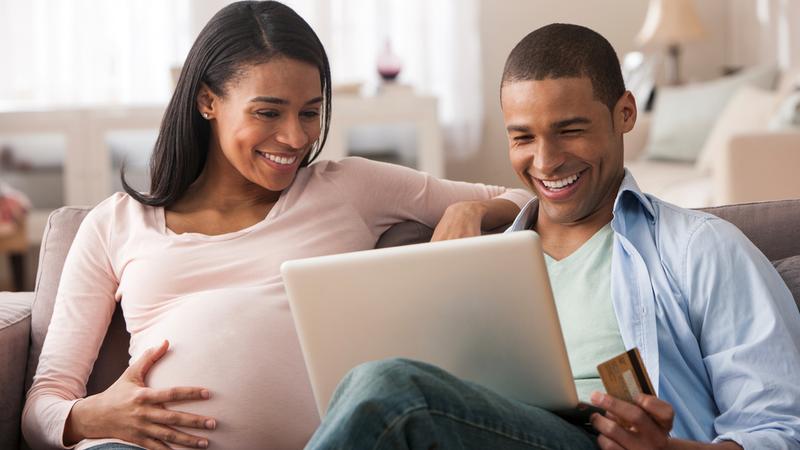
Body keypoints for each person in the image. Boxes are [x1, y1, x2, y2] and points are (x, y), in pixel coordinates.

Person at [20, 2, 530, 450]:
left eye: (310, 113)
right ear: (207, 101)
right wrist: (92, 416)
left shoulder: (350, 187)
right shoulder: (116, 224)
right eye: (268, 112)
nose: (294, 137)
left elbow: (522, 195)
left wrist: (473, 210)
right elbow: (43, 403)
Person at [306, 24, 800, 450]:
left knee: (389, 386)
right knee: (368, 381)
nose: (545, 162)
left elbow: (781, 430)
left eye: (570, 130)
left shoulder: (701, 248)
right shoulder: (479, 261)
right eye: (523, 137)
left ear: (624, 113)